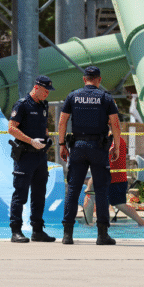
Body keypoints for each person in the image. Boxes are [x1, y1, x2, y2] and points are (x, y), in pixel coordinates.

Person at [58, 66, 123, 245]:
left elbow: (62, 121)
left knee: (73, 190)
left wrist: (62, 144)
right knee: (101, 191)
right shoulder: (105, 98)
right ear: (99, 80)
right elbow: (115, 125)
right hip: (98, 148)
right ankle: (102, 235)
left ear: (84, 79)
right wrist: (117, 147)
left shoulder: (73, 96)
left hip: (77, 147)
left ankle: (67, 235)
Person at [8, 75, 57, 243]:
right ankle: (16, 231)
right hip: (25, 155)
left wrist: (46, 138)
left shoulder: (43, 105)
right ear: (36, 88)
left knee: (39, 194)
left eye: (48, 92)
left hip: (40, 157)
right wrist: (30, 141)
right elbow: (12, 129)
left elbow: (43, 127)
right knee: (20, 194)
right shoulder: (22, 105)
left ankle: (37, 230)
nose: (47, 94)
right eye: (44, 91)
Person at [83, 134, 144, 227]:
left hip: (112, 178)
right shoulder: (117, 139)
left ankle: (88, 225)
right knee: (118, 204)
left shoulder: (111, 141)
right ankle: (142, 223)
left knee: (117, 204)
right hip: (116, 178)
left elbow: (102, 159)